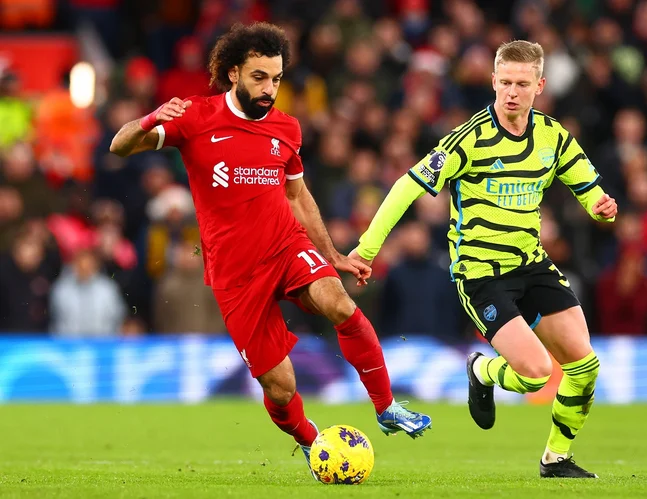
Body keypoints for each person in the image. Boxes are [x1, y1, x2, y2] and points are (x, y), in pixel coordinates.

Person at [109, 22, 431, 477]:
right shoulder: (196, 117)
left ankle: (386, 406)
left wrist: (334, 255)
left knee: (337, 301)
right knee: (280, 388)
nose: (269, 88)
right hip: (235, 273)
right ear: (234, 73)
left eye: (277, 79)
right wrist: (150, 119)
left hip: (285, 245)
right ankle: (308, 439)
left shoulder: (287, 128)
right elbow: (119, 146)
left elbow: (298, 197)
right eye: (259, 77)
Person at [351, 40, 617, 478]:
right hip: (480, 275)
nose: (512, 92)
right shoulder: (469, 139)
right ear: (493, 82)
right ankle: (482, 369)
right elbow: (407, 185)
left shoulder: (553, 137)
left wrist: (601, 206)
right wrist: (367, 248)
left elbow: (588, 191)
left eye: (522, 84)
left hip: (531, 263)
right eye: (505, 83)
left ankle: (556, 459)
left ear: (540, 86)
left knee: (585, 366)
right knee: (534, 374)